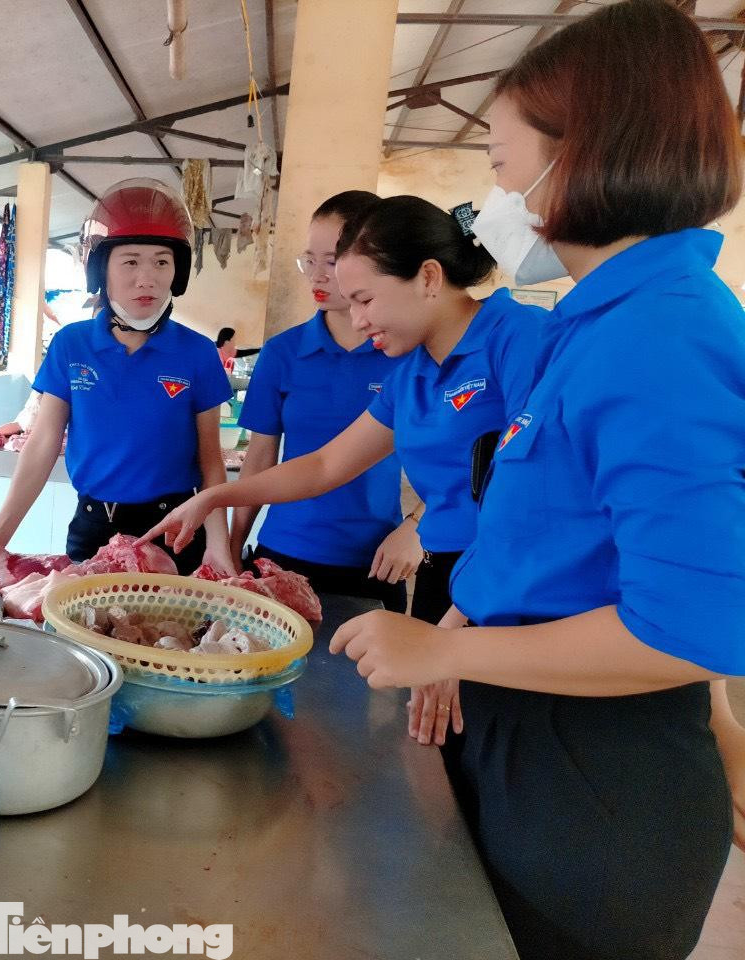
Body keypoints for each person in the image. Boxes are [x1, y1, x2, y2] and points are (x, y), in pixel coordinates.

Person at [328, 3, 745, 957]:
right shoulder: (594, 326)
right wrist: (461, 623)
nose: (495, 199)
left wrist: (449, 656)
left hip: (595, 783)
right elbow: (549, 539)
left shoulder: (662, 334)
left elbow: (686, 628)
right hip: (532, 733)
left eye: (504, 163)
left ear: (584, 154)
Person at [146, 194, 544, 662]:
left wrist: (455, 629)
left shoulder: (518, 338)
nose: (356, 319)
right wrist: (215, 497)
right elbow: (324, 463)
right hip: (449, 577)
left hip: (510, 581)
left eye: (365, 299)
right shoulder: (413, 372)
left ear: (429, 277)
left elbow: (533, 493)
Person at [0, 178, 235, 574]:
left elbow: (211, 462)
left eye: (162, 261)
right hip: (93, 526)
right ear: (101, 268)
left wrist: (219, 545)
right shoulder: (72, 344)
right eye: (130, 260)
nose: (147, 278)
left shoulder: (198, 352)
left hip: (174, 529)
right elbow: (43, 443)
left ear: (178, 271)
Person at [232, 191, 419, 614]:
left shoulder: (406, 356)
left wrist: (417, 527)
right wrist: (232, 540)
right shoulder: (282, 353)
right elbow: (259, 457)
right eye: (309, 261)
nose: (316, 276)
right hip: (282, 555)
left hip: (374, 562)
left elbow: (457, 458)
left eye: (332, 262)